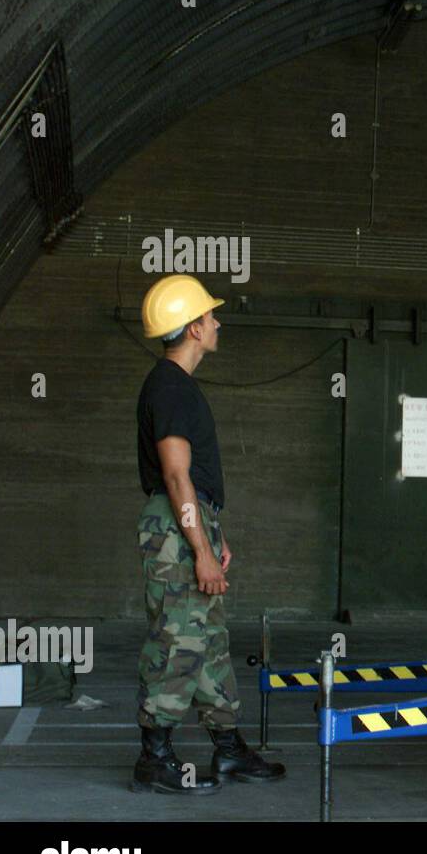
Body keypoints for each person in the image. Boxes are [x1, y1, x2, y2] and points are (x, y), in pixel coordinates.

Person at [132, 274, 284, 794]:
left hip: (189, 523)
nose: (217, 321)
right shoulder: (171, 386)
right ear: (194, 328)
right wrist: (199, 548)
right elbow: (176, 476)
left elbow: (188, 483)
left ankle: (228, 750)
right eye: (210, 315)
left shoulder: (177, 386)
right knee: (178, 641)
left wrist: (211, 535)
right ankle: (154, 758)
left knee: (209, 642)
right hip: (177, 528)